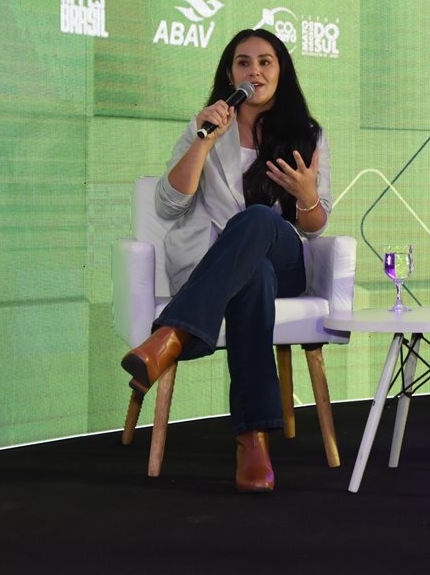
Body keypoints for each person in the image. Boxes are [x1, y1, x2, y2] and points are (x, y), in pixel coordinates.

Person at [120, 28, 332, 492]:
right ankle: (253, 441)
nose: (253, 70)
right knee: (250, 276)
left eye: (265, 61)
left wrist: (308, 196)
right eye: (242, 62)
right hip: (216, 265)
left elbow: (314, 226)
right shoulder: (206, 125)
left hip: (285, 260)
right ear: (229, 72)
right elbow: (168, 206)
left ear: (281, 71)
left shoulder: (307, 134)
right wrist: (202, 143)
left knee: (257, 221)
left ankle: (172, 334)